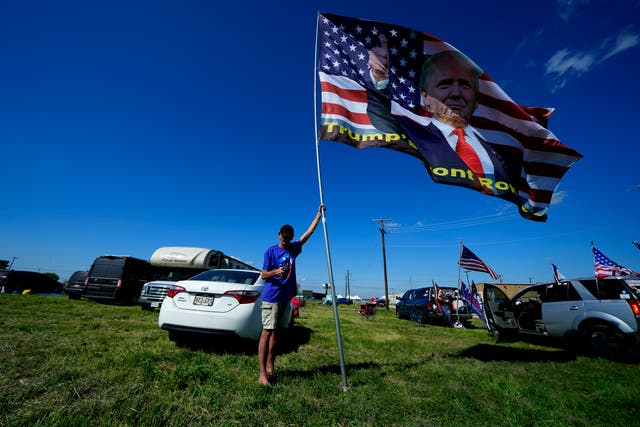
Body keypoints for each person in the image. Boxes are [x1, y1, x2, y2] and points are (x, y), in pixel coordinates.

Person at [367, 43, 518, 197]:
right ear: (425, 96)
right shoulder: (416, 132)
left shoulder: (502, 146)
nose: (456, 94)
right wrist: (380, 77)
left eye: (465, 86)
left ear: (477, 99)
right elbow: (380, 112)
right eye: (445, 85)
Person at [258, 204, 325, 386]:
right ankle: (262, 373)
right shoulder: (270, 251)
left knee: (277, 334)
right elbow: (263, 274)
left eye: (289, 238)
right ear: (279, 235)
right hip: (271, 297)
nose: (286, 240)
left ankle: (271, 365)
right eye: (283, 237)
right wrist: (275, 272)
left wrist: (318, 216)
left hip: (285, 298)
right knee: (267, 332)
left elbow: (307, 235)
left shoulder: (293, 248)